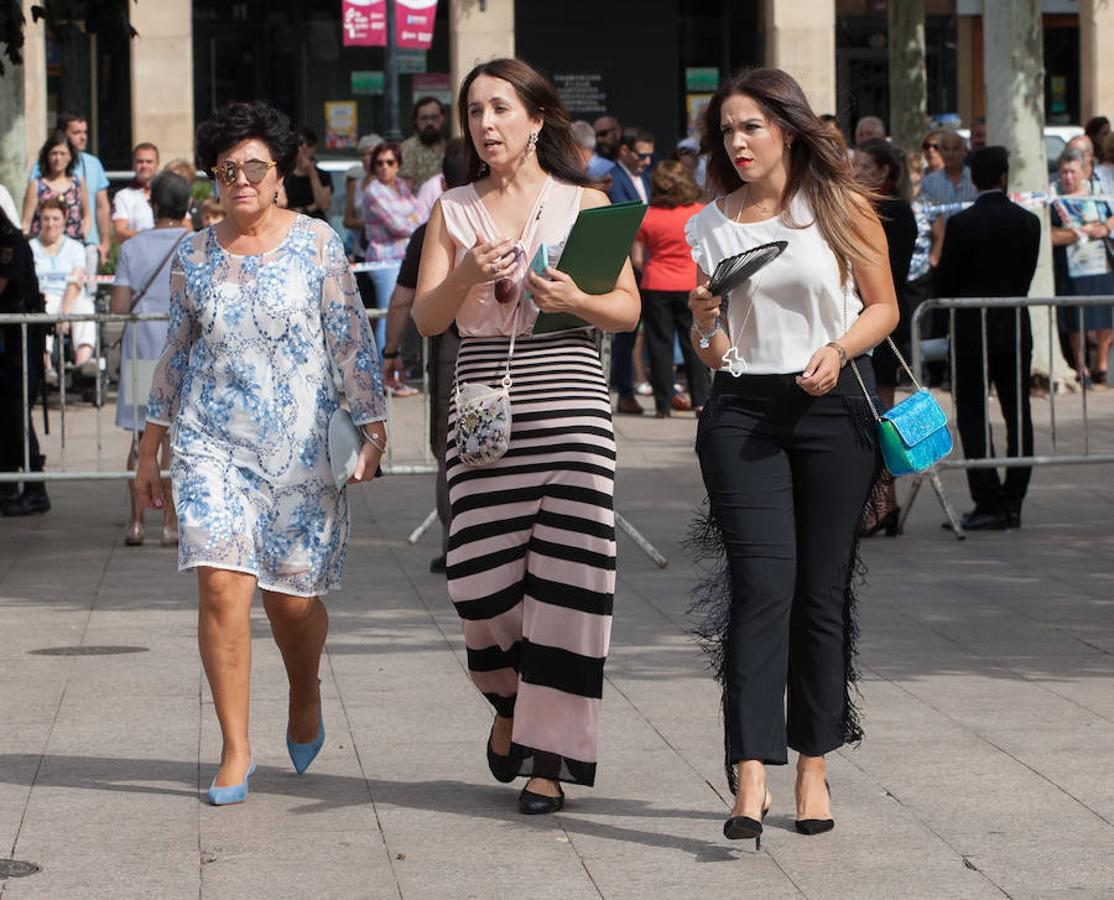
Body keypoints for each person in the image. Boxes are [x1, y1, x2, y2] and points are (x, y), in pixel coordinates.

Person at [133, 101, 387, 806]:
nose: (240, 179)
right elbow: (174, 357)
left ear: (280, 175)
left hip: (303, 450)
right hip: (212, 445)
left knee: (291, 604)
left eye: (254, 168)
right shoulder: (193, 254)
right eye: (227, 169)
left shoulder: (316, 244)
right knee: (220, 586)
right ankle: (236, 749)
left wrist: (372, 425)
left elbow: (348, 338)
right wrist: (149, 450)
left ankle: (303, 692)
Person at [412, 57, 640, 815]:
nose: (486, 124)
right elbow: (428, 320)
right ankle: (510, 703)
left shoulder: (589, 202)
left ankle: (551, 756)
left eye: (500, 108)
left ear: (537, 118)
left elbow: (629, 312)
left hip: (570, 397)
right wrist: (464, 276)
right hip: (481, 399)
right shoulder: (451, 210)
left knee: (571, 583)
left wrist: (578, 296)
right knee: (478, 585)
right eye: (474, 111)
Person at [684, 67, 898, 846]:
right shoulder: (707, 225)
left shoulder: (838, 205)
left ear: (787, 128)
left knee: (820, 592)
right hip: (743, 411)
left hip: (833, 408)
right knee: (760, 586)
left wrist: (840, 350)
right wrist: (704, 320)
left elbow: (884, 307)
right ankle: (749, 772)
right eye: (727, 131)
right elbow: (713, 352)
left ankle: (813, 765)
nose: (738, 143)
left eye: (752, 128)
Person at [935, 146, 1041, 530]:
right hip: (1013, 325)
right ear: (1003, 178)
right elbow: (1025, 275)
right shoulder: (1029, 222)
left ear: (973, 180)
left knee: (974, 412)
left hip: (970, 327)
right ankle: (1014, 499)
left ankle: (988, 498)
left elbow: (944, 280)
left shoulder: (962, 224)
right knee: (1018, 412)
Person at [381, 140, 471, 571]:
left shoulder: (433, 229)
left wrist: (391, 350)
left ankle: (454, 546)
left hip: (452, 350)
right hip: (515, 354)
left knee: (448, 450)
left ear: (443, 181)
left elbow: (402, 299)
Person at [111, 172, 192, 547]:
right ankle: (172, 524)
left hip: (141, 349)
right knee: (176, 441)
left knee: (141, 441)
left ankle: (136, 522)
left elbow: (120, 305)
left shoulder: (132, 248)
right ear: (187, 205)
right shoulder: (197, 245)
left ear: (153, 205)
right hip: (184, 353)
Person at [853, 139, 916, 536]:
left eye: (862, 166)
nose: (855, 171)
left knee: (881, 420)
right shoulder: (870, 209)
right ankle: (883, 504)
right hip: (867, 323)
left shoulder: (891, 212)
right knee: (876, 418)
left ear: (883, 174)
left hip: (879, 324)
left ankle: (880, 505)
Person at [631, 159, 709, 417]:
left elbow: (638, 259)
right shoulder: (699, 212)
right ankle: (701, 401)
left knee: (659, 345)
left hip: (656, 285)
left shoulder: (647, 215)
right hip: (690, 285)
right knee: (695, 343)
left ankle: (663, 404)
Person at [0, 205, 50, 517]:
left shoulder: (9, 241)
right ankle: (7, 483)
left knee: (16, 413)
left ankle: (35, 488)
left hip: (20, 342)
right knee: (4, 414)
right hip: (8, 343)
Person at [352, 140, 425, 352]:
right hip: (383, 262)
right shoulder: (373, 191)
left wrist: (410, 218)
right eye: (379, 163)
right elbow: (399, 226)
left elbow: (423, 215)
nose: (384, 167)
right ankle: (387, 375)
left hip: (403, 259)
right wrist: (410, 216)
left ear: (398, 165)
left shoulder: (401, 186)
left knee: (402, 316)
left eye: (389, 162)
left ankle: (398, 372)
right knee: (389, 314)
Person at [1050, 147, 1114, 388]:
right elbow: (1050, 234)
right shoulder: (1053, 198)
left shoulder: (1097, 193)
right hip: (1071, 266)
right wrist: (1076, 233)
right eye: (1064, 172)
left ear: (1082, 172)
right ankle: (1080, 367)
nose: (1068, 177)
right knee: (1074, 318)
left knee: (1106, 314)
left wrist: (1106, 227)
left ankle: (1101, 364)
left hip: (1100, 262)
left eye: (1072, 172)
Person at [608, 127, 655, 415]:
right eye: (642, 155)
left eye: (651, 155)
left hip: (648, 264)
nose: (648, 161)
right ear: (624, 151)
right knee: (625, 335)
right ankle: (625, 390)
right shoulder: (613, 180)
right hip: (626, 264)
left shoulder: (644, 177)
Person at [27, 114, 110, 273]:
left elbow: (101, 206)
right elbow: (29, 215)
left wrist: (104, 242)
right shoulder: (41, 169)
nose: (83, 137)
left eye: (85, 132)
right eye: (76, 132)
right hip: (44, 248)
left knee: (83, 293)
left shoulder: (93, 164)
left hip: (84, 245)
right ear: (63, 134)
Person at [30, 199, 94, 376]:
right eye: (46, 218)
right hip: (44, 296)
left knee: (86, 306)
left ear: (64, 220)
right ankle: (46, 365)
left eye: (55, 219)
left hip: (70, 297)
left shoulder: (76, 248)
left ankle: (84, 365)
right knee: (45, 304)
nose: (51, 224)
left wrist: (63, 316)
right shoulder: (31, 248)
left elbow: (76, 282)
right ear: (40, 220)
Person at [22, 131, 91, 242]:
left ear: (70, 156)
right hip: (42, 249)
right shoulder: (37, 185)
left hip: (73, 248)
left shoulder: (78, 182)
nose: (58, 158)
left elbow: (87, 215)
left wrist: (83, 235)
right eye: (54, 153)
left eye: (62, 153)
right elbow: (26, 221)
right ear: (47, 156)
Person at [112, 143, 160, 241]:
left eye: (149, 161)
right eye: (140, 161)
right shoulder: (122, 196)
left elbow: (186, 226)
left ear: (157, 164)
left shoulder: (169, 192)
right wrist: (152, 237)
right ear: (133, 164)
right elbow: (119, 232)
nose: (144, 166)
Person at [283, 127, 333, 220]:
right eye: (300, 143)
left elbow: (323, 205)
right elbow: (280, 204)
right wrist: (312, 207)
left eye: (309, 143)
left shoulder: (324, 175)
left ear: (314, 147)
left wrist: (311, 171)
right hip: (290, 222)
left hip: (316, 222)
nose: (304, 147)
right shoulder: (285, 175)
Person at [399, 97, 447, 189]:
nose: (429, 123)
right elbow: (405, 188)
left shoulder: (448, 149)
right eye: (424, 118)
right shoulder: (407, 149)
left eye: (434, 117)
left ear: (442, 119)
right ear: (416, 121)